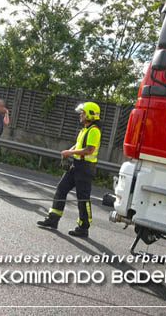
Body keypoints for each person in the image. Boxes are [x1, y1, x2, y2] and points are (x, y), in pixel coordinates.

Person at [37, 102, 101, 238]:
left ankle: (83, 228)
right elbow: (78, 145)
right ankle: (53, 219)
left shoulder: (94, 130)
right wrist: (68, 152)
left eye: (83, 113)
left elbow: (89, 150)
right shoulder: (85, 129)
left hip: (85, 169)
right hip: (76, 165)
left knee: (82, 198)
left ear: (89, 114)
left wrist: (70, 153)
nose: (81, 115)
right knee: (61, 189)